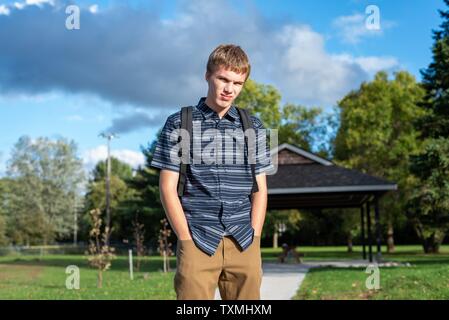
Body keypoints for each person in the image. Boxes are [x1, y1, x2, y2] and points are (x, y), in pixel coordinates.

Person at [150, 44, 273, 300]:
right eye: (223, 79)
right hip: (197, 239)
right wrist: (185, 238)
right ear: (208, 75)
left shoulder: (253, 126)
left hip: (244, 241)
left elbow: (259, 190)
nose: (230, 89)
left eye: (238, 83)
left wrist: (256, 234)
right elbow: (167, 188)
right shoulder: (180, 123)